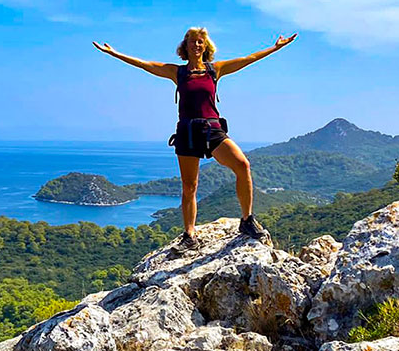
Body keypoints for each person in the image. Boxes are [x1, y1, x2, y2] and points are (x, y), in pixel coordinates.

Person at [92, 27, 297, 248]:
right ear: (185, 46)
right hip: (188, 132)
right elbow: (145, 65)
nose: (196, 45)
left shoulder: (215, 70)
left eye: (200, 42)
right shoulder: (177, 73)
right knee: (190, 186)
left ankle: (247, 220)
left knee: (242, 165)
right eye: (192, 41)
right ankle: (189, 235)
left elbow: (249, 59)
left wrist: (275, 48)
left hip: (212, 129)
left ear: (205, 46)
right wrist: (114, 53)